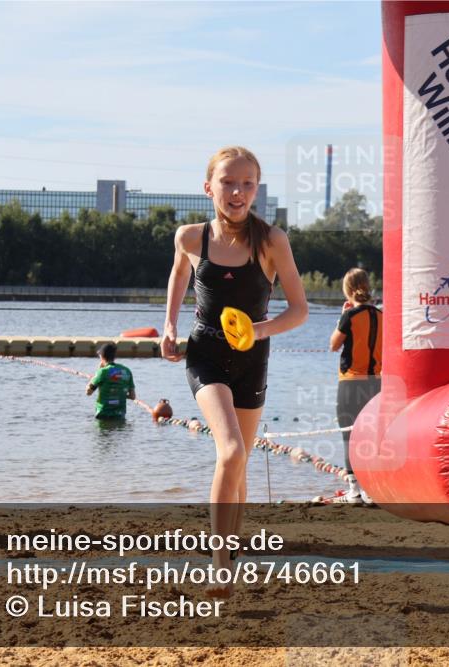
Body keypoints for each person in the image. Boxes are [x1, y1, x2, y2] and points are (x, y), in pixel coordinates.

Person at [162, 146, 308, 596]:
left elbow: (300, 310)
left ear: (256, 190)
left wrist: (257, 331)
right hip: (205, 353)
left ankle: (231, 549)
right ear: (209, 188)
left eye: (247, 183)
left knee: (240, 463)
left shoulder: (272, 241)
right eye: (228, 182)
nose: (237, 191)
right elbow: (179, 276)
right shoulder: (191, 238)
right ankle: (220, 565)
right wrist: (169, 325)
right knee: (230, 452)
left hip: (252, 358)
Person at [329, 268, 382, 504]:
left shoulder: (349, 316)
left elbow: (333, 345)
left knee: (349, 437)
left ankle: (354, 491)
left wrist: (342, 317)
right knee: (370, 436)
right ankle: (370, 489)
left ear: (348, 290)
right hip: (376, 384)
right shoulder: (381, 316)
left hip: (351, 383)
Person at [85, 343, 135, 420]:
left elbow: (88, 392)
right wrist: (119, 394)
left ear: (102, 356)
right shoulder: (126, 370)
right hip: (120, 415)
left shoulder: (102, 372)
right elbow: (132, 396)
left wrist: (96, 374)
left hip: (103, 415)